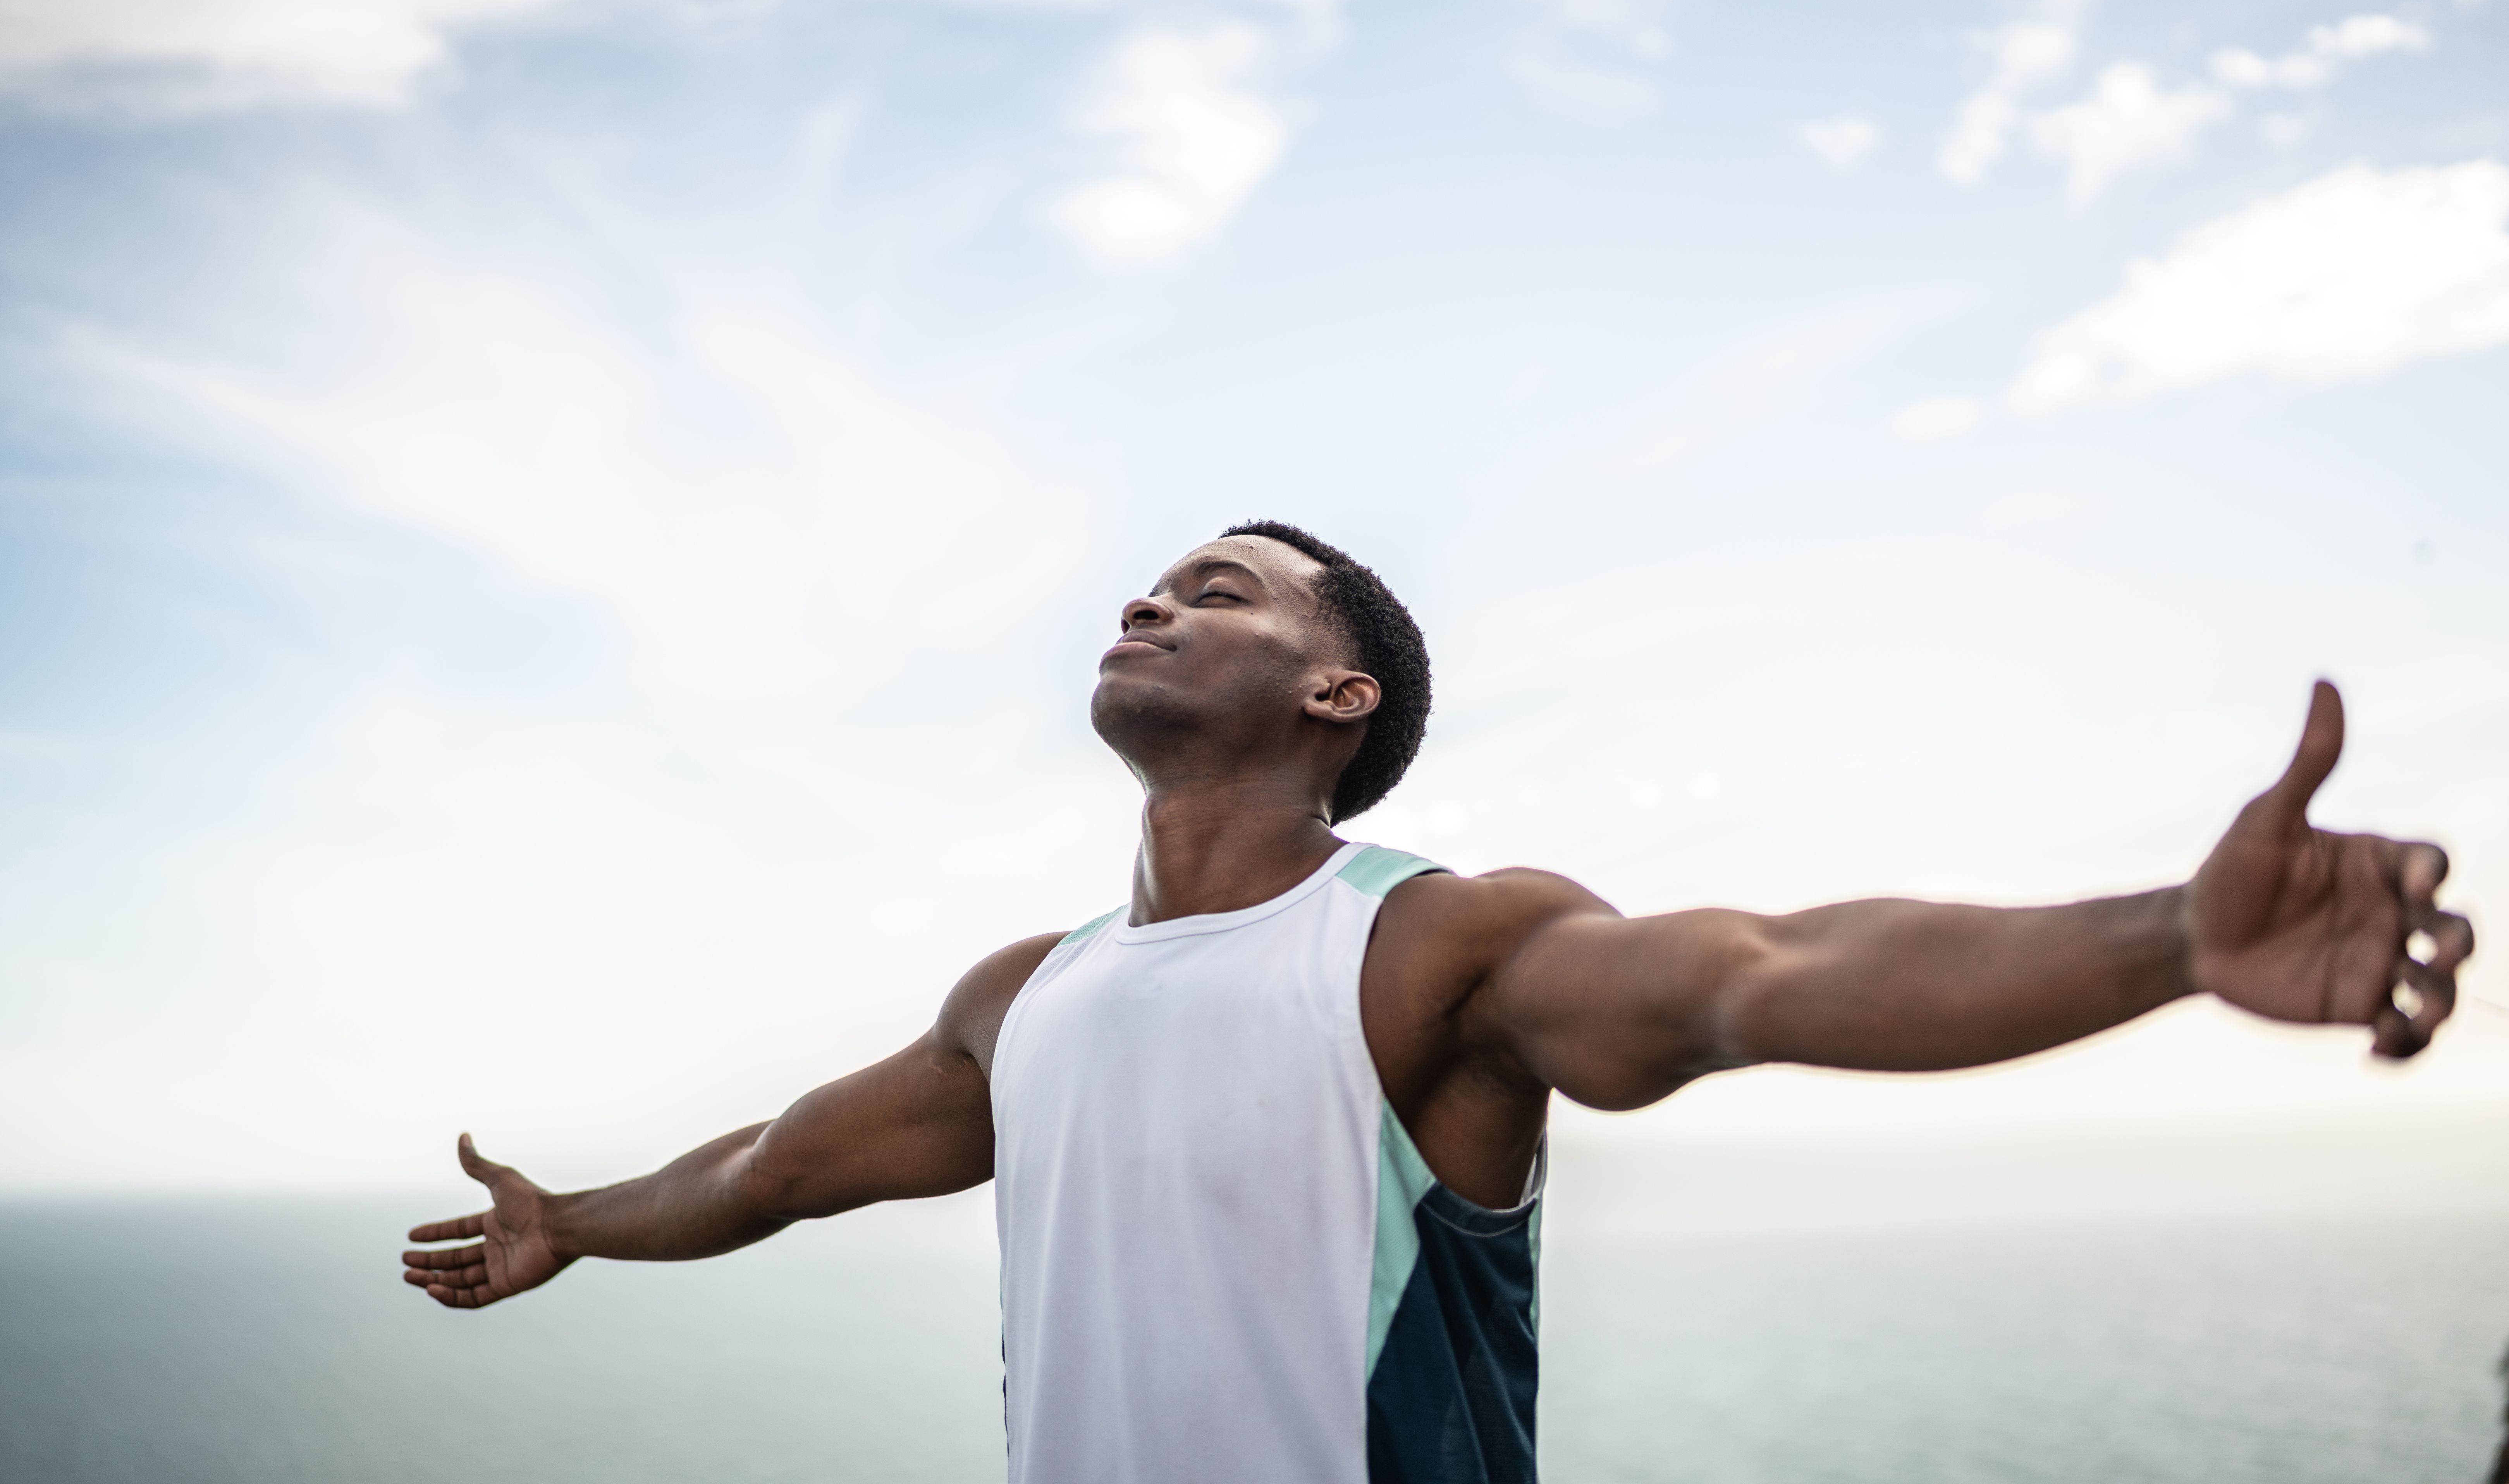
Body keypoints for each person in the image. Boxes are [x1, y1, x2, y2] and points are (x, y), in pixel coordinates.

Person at [401, 520, 2473, 1484]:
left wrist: (2164, 941)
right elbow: (774, 1168)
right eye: (1145, 585)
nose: (1147, 600)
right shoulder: (1024, 1001)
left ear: (1340, 692)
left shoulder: (1434, 947)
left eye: (1219, 589)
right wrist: (576, 1218)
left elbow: (1768, 975)